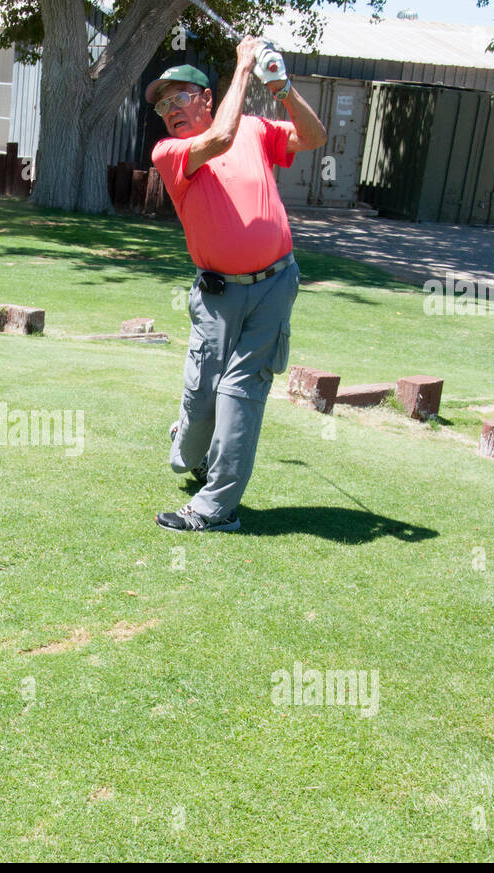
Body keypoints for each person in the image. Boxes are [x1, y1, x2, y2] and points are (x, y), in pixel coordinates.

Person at [148, 38, 327, 532]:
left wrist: (284, 88)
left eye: (179, 97)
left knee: (239, 393)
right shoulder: (172, 151)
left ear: (206, 98)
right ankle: (190, 444)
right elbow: (222, 137)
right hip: (217, 296)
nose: (169, 110)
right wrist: (244, 66)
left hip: (275, 284)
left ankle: (215, 509)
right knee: (200, 400)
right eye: (163, 104)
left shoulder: (255, 129)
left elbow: (313, 138)